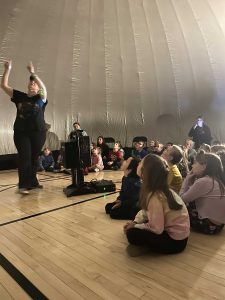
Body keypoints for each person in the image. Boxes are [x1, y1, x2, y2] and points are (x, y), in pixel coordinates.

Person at [124, 154, 190, 255]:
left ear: (146, 172)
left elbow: (157, 229)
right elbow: (145, 211)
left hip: (175, 242)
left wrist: (136, 227)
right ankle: (145, 244)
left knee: (132, 234)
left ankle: (145, 247)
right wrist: (136, 222)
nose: (138, 164)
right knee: (136, 216)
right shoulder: (159, 189)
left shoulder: (155, 196)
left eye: (141, 163)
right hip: (178, 236)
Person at [1, 60, 47, 194]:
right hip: (21, 133)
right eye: (31, 82)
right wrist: (7, 69)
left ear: (38, 88)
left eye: (35, 83)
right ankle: (23, 185)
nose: (33, 83)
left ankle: (33, 181)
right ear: (28, 85)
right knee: (25, 157)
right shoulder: (19, 96)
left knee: (34, 158)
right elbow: (3, 85)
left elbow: (44, 88)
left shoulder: (41, 98)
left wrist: (33, 73)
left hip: (38, 132)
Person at [180, 150, 225, 234]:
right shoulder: (217, 180)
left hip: (208, 225)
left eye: (195, 163)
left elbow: (181, 199)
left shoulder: (204, 181)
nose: (192, 166)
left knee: (175, 204)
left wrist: (186, 179)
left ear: (204, 166)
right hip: (219, 225)